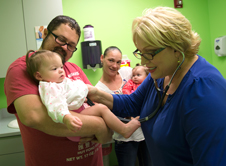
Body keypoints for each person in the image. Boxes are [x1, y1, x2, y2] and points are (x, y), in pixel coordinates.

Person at [86, 7, 226, 166]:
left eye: (150, 53)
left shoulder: (205, 91)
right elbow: (132, 104)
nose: (144, 63)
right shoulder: (161, 75)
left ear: (177, 47)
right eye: (140, 52)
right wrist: (94, 93)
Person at [4, 15, 113, 166]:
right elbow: (34, 116)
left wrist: (107, 127)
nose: (64, 47)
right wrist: (100, 126)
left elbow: (93, 104)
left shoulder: (73, 68)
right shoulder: (22, 68)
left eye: (71, 45)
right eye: (61, 39)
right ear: (45, 33)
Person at [25, 49, 140, 141]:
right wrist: (67, 118)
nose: (61, 71)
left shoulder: (61, 82)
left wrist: (82, 97)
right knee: (102, 109)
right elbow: (56, 105)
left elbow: (72, 91)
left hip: (79, 115)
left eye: (61, 67)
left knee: (102, 111)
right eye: (54, 69)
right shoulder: (50, 87)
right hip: (73, 122)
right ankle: (124, 130)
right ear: (39, 76)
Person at [95, 46, 152, 166]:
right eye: (111, 60)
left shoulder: (127, 72)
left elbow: (145, 77)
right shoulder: (98, 91)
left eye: (118, 62)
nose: (115, 66)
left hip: (144, 132)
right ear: (102, 58)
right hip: (124, 139)